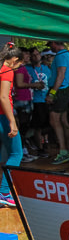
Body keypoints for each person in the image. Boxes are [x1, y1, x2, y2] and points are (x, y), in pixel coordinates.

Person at [0, 44, 25, 207]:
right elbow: (3, 97)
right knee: (17, 154)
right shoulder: (7, 71)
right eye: (20, 64)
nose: (19, 68)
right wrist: (12, 121)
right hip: (3, 118)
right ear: (14, 60)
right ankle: (4, 192)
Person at [47, 40, 69, 164]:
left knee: (54, 119)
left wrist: (52, 93)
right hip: (65, 89)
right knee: (63, 121)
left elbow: (61, 75)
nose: (50, 48)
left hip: (60, 91)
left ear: (54, 43)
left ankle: (63, 151)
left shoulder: (61, 56)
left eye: (50, 45)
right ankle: (68, 149)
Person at [13, 49, 36, 162]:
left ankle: (24, 151)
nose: (29, 55)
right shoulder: (20, 68)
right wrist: (34, 84)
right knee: (22, 127)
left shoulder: (23, 67)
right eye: (26, 54)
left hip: (26, 99)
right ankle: (22, 152)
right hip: (21, 101)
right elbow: (20, 83)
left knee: (25, 127)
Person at [32, 50, 53, 157]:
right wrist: (33, 85)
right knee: (38, 126)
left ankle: (45, 143)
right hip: (35, 100)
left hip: (46, 99)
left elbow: (51, 82)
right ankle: (40, 148)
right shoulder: (29, 69)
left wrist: (51, 95)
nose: (36, 56)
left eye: (37, 54)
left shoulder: (47, 69)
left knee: (48, 124)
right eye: (33, 55)